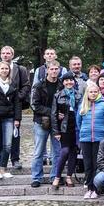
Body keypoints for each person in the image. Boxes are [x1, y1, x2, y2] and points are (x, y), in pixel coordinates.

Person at [0, 46, 30, 170]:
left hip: (14, 107)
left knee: (14, 135)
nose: (6, 55)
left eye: (8, 53)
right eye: (3, 53)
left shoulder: (20, 69)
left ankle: (15, 159)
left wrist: (16, 97)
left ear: (12, 55)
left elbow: (26, 85)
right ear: (0, 55)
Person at [77, 81, 104, 199]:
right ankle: (89, 187)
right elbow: (79, 122)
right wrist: (84, 131)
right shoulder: (82, 105)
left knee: (97, 164)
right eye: (90, 92)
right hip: (85, 138)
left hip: (100, 138)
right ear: (87, 93)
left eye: (95, 92)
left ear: (98, 93)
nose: (93, 94)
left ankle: (97, 188)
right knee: (88, 165)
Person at [30, 60, 63, 188]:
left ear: (59, 70)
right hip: (41, 121)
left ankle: (55, 176)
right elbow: (35, 105)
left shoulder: (62, 85)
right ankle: (37, 177)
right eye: (52, 69)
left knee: (57, 151)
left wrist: (60, 114)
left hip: (57, 123)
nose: (54, 71)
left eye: (56, 69)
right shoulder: (38, 85)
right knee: (38, 151)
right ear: (47, 70)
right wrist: (53, 112)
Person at [51, 72, 80, 188]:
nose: (69, 82)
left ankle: (69, 176)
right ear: (63, 83)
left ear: (74, 81)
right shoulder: (58, 95)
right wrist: (56, 131)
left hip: (77, 126)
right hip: (64, 126)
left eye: (71, 80)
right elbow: (53, 114)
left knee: (73, 152)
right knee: (65, 151)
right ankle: (57, 177)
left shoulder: (79, 95)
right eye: (66, 80)